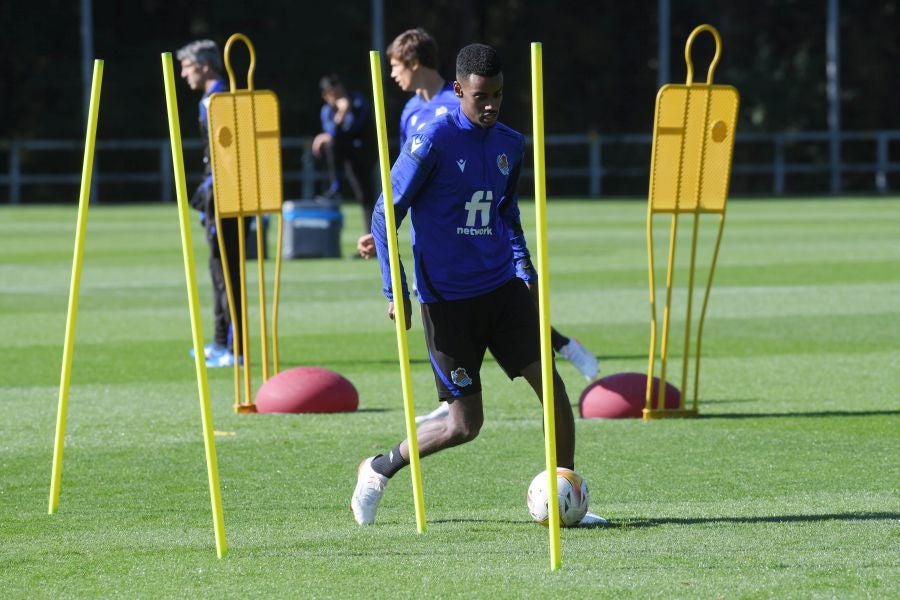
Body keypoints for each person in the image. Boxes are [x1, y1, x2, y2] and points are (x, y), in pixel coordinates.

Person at [351, 43, 605, 527]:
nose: (490, 105)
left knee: (552, 391)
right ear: (458, 90)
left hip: (501, 290)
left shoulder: (511, 143)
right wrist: (394, 290)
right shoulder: (432, 140)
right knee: (465, 425)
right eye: (480, 96)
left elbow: (507, 214)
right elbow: (386, 212)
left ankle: (566, 494)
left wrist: (525, 271)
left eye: (499, 96)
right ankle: (379, 469)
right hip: (446, 301)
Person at [177, 39, 247, 368]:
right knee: (216, 267)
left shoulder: (221, 97)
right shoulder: (207, 99)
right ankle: (221, 341)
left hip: (227, 194)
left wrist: (218, 189)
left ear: (205, 66)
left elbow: (233, 154)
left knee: (227, 269)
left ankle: (234, 347)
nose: (182, 75)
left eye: (187, 67)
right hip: (215, 192)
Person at [312, 74, 377, 234]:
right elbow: (332, 133)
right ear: (326, 96)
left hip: (362, 153)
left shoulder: (358, 102)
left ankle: (373, 240)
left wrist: (345, 110)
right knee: (330, 143)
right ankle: (335, 188)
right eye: (333, 94)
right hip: (344, 154)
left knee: (366, 197)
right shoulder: (326, 110)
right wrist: (339, 115)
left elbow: (353, 128)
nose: (338, 96)